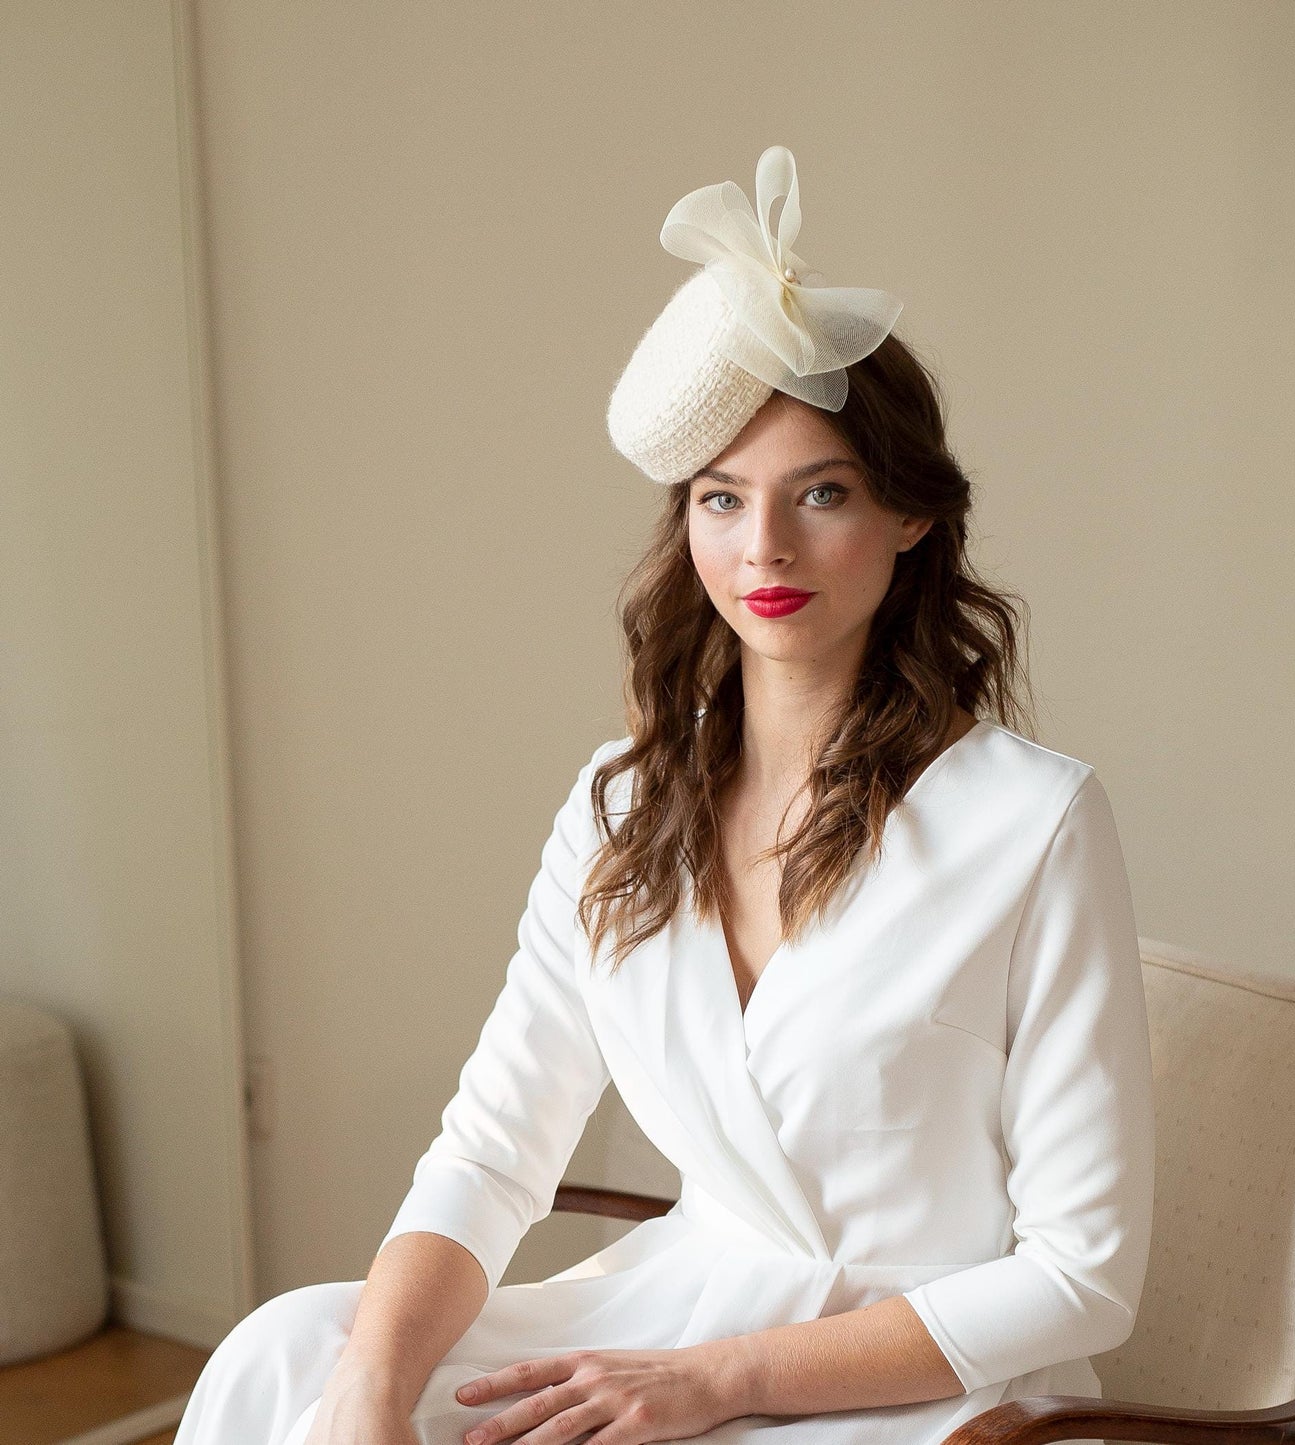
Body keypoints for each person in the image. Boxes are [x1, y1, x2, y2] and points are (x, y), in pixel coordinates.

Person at [173, 144, 1154, 1445]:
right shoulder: (620, 802)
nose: (765, 548)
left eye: (822, 492)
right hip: (680, 1301)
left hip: (905, 1375)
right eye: (720, 498)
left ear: (909, 514)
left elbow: (1082, 1274)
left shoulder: (1028, 820)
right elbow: (488, 1152)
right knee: (292, 1347)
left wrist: (723, 1379)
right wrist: (372, 1387)